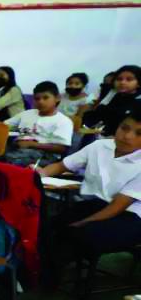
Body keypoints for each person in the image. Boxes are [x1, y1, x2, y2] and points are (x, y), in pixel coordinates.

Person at [37, 107, 141, 288]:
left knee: (80, 235)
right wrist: (40, 173)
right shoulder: (100, 146)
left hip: (131, 216)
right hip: (99, 204)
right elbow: (63, 165)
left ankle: (48, 278)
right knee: (49, 225)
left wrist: (83, 223)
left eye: (138, 133)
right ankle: (44, 273)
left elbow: (118, 206)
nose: (128, 136)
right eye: (125, 128)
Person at [3, 81, 73, 167]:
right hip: (19, 146)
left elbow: (61, 148)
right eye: (37, 99)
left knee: (10, 159)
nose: (41, 102)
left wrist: (31, 144)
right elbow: (4, 126)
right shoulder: (27, 114)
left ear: (57, 98)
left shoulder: (63, 121)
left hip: (45, 154)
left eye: (45, 98)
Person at [82, 65, 141, 138]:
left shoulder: (138, 102)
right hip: (98, 135)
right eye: (119, 79)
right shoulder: (111, 95)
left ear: (138, 83)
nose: (122, 82)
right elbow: (97, 115)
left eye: (129, 79)